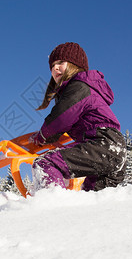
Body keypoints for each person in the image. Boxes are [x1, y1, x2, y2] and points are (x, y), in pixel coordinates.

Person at [29, 42, 126, 192]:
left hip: (102, 143)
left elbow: (60, 118)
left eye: (60, 62)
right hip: (114, 149)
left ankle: (53, 206)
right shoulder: (87, 88)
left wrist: (42, 136)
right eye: (52, 66)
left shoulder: (79, 86)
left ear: (75, 65)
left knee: (45, 164)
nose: (55, 68)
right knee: (92, 198)